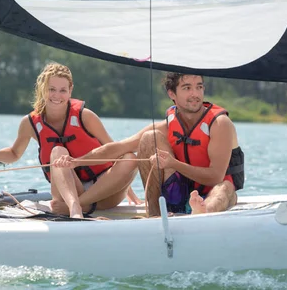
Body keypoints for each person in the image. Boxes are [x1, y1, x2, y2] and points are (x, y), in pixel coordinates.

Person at [54, 72, 244, 217]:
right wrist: (77, 161)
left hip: (213, 191)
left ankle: (201, 213)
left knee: (225, 189)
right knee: (148, 138)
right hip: (179, 193)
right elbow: (119, 147)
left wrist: (173, 164)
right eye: (187, 88)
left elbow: (215, 176)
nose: (195, 94)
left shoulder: (219, 124)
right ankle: (154, 214)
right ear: (172, 94)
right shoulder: (168, 124)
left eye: (199, 87)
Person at [0, 62, 140, 218]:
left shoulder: (85, 116)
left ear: (70, 90)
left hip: (104, 193)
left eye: (62, 90)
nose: (57, 96)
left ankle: (78, 206)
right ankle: (74, 207)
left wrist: (127, 186)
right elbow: (14, 153)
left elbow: (114, 151)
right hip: (67, 191)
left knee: (130, 158)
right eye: (51, 89)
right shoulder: (29, 123)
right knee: (57, 151)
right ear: (42, 89)